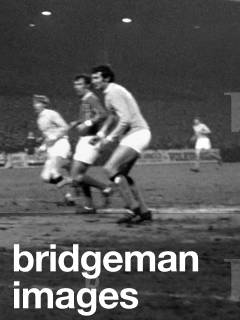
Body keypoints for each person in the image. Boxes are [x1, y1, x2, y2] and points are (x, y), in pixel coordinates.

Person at [90, 65, 153, 225]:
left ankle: (134, 209)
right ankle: (144, 212)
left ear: (106, 78)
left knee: (109, 168)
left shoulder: (113, 92)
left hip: (137, 133)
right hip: (137, 134)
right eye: (93, 77)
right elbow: (112, 116)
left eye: (96, 77)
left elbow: (125, 119)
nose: (93, 80)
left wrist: (109, 138)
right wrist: (101, 134)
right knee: (122, 174)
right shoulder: (109, 93)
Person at [68, 74, 115, 213]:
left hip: (90, 141)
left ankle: (105, 188)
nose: (76, 87)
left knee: (76, 176)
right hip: (84, 140)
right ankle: (89, 206)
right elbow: (90, 116)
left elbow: (103, 114)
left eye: (79, 84)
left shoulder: (90, 98)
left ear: (87, 85)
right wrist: (78, 122)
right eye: (75, 84)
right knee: (80, 176)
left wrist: (87, 123)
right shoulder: (85, 100)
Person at [32, 95, 74, 206]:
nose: (35, 105)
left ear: (44, 104)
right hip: (51, 148)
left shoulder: (51, 114)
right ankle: (71, 180)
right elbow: (47, 135)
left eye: (37, 103)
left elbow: (65, 127)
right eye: (34, 103)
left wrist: (55, 136)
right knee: (45, 177)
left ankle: (68, 198)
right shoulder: (39, 119)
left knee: (55, 172)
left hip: (60, 144)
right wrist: (43, 146)